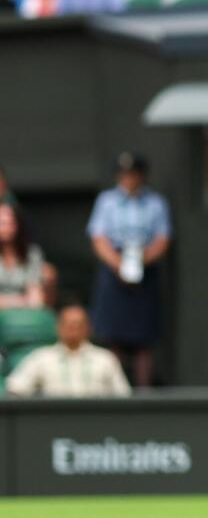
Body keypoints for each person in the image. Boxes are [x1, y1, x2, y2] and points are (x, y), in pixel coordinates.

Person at [87, 152, 172, 388]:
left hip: (144, 268)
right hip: (114, 269)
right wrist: (119, 265)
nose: (128, 179)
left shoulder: (156, 203)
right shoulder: (106, 201)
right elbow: (98, 237)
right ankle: (115, 389)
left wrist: (139, 264)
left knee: (144, 338)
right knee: (113, 335)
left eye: (133, 174)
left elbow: (162, 239)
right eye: (124, 174)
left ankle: (143, 393)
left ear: (142, 176)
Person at [5, 304, 131, 397]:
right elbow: (14, 390)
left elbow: (124, 396)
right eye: (69, 325)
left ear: (88, 329)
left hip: (98, 426)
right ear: (58, 328)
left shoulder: (105, 359)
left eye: (78, 325)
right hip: (51, 425)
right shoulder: (41, 357)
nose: (73, 330)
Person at [0, 204, 45, 309]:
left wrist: (4, 302)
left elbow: (36, 300)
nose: (5, 228)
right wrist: (21, 300)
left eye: (9, 223)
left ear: (18, 225)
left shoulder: (32, 254)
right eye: (1, 223)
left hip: (25, 315)